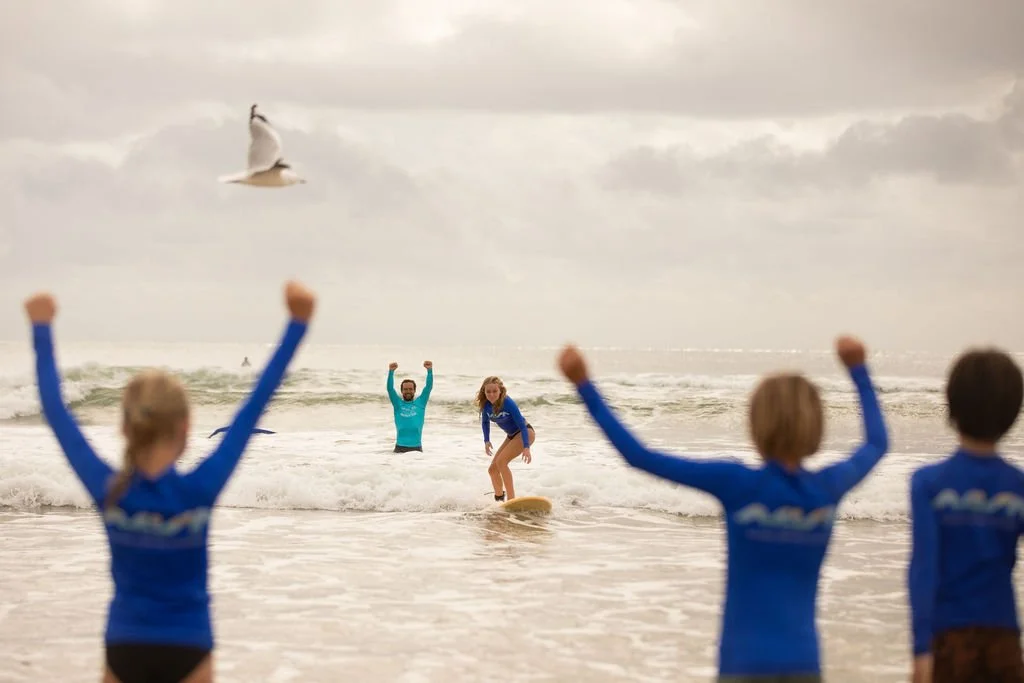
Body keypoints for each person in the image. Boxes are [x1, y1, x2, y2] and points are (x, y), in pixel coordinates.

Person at [25, 280, 315, 683]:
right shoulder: (200, 487)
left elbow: (57, 412)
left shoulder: (110, 489)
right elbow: (255, 405)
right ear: (186, 426)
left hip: (125, 643)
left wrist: (41, 327)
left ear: (125, 428)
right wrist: (298, 323)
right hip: (189, 645)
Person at [557, 336, 889, 682]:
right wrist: (858, 370)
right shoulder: (827, 488)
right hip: (804, 661)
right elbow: (877, 443)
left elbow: (639, 456)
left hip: (743, 662)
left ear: (756, 424)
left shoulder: (738, 483)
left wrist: (584, 385)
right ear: (817, 425)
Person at [907, 348, 1024, 683]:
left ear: (952, 406)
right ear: (1013, 412)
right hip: (1004, 635)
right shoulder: (1016, 486)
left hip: (948, 637)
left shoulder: (928, 483)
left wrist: (920, 649)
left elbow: (923, 570)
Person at [476, 376, 536, 502]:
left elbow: (521, 425)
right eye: (488, 392)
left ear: (500, 391)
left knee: (501, 462)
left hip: (525, 432)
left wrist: (526, 447)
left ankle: (511, 500)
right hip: (511, 435)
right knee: (492, 470)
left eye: (494, 391)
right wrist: (486, 441)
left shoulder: (508, 403)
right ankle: (499, 500)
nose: (491, 394)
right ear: (484, 392)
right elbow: (485, 423)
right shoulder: (485, 405)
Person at [387, 360, 433, 453]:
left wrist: (430, 371)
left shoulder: (420, 403)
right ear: (402, 391)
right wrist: (391, 372)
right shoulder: (398, 404)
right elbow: (390, 389)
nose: (408, 391)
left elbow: (428, 388)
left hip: (416, 449)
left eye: (410, 389)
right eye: (405, 389)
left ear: (414, 390)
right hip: (400, 448)